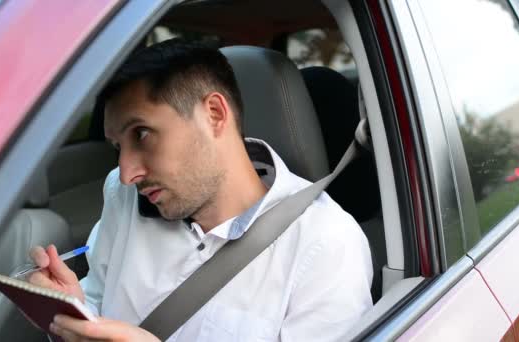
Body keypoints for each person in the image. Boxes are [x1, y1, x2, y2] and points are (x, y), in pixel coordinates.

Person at [28, 39, 373, 341]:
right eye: (118, 146)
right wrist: (74, 310)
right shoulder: (124, 199)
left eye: (142, 134)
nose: (127, 173)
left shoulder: (326, 245)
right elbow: (99, 303)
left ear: (214, 114)